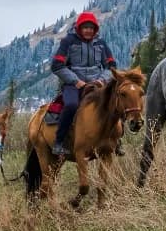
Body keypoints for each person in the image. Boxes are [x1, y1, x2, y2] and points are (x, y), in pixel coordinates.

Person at [50, 11, 117, 156]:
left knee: (116, 102)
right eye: (85, 27)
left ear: (95, 29)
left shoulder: (101, 43)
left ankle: (116, 140)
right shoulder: (68, 41)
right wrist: (75, 81)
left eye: (91, 28)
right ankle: (59, 142)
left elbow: (111, 66)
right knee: (71, 105)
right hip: (74, 84)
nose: (88, 30)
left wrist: (102, 80)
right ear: (79, 28)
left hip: (97, 83)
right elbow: (56, 65)